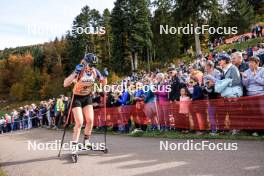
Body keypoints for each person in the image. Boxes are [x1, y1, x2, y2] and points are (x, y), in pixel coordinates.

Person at [63, 53, 107, 155]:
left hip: (87, 97)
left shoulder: (95, 72)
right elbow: (65, 83)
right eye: (90, 65)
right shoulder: (80, 71)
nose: (92, 67)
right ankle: (74, 146)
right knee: (79, 122)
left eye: (94, 65)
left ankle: (86, 142)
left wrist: (105, 76)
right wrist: (75, 72)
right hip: (77, 97)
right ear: (86, 63)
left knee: (90, 120)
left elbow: (103, 83)